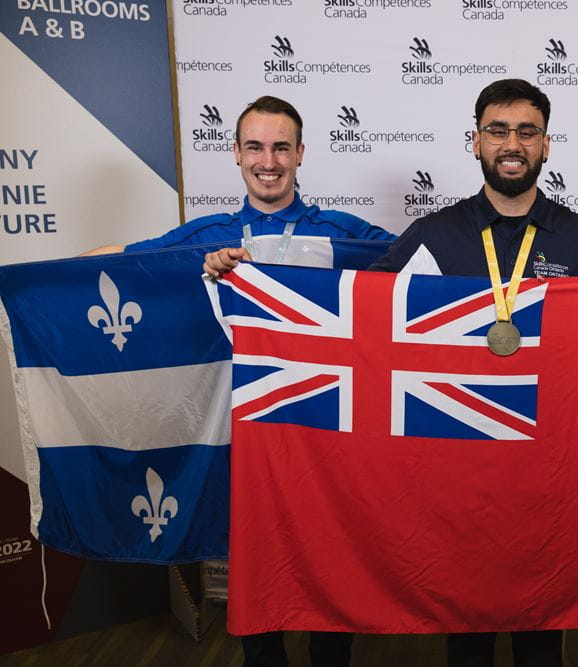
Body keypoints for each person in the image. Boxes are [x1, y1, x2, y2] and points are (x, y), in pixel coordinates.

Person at [87, 95, 395, 667]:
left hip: (323, 432)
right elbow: (115, 264)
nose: (268, 160)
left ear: (301, 154)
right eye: (255, 146)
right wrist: (32, 284)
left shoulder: (343, 233)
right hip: (243, 436)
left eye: (281, 146)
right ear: (236, 154)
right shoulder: (207, 237)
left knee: (329, 566)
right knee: (255, 568)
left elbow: (418, 269)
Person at [370, 78, 578, 667]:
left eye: (527, 131)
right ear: (475, 143)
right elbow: (361, 317)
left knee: (541, 630)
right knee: (466, 630)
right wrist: (247, 283)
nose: (511, 143)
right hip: (460, 476)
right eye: (497, 130)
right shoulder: (435, 237)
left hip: (552, 474)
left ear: (547, 146)